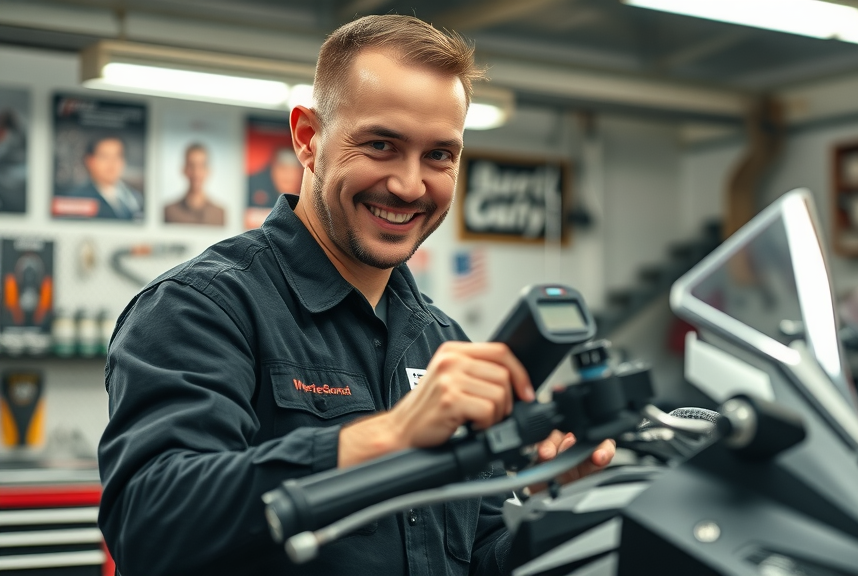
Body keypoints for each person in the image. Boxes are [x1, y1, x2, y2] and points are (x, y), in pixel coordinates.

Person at [98, 14, 615, 576]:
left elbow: (478, 554)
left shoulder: (444, 342)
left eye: (439, 155)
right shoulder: (201, 307)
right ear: (307, 139)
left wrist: (553, 508)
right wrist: (390, 435)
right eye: (380, 144)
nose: (410, 185)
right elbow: (149, 524)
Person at [65, 135, 144, 221]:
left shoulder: (135, 196)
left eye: (117, 156)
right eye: (104, 156)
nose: (112, 163)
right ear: (90, 161)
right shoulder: (77, 198)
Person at [164, 143, 226, 226]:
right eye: (191, 166)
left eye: (201, 166)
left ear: (208, 170)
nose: (196, 173)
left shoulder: (220, 214)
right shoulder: (169, 212)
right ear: (184, 169)